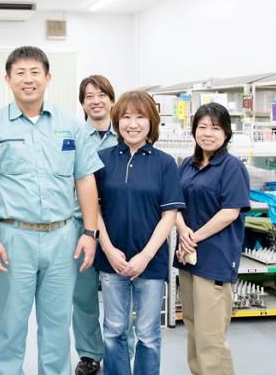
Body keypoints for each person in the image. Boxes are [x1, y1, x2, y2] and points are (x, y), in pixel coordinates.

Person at [0, 46, 102, 375]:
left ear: (48, 77)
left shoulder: (70, 125)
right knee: (11, 326)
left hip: (63, 238)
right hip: (13, 237)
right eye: (20, 73)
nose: (28, 79)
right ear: (7, 79)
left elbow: (85, 179)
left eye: (35, 72)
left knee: (57, 329)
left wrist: (89, 233)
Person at [94, 91, 185, 375]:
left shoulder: (165, 163)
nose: (132, 124)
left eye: (140, 117)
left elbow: (169, 215)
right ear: (117, 121)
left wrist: (145, 256)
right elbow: (94, 209)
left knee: (147, 335)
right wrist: (108, 250)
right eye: (126, 117)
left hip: (151, 263)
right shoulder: (102, 159)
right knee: (113, 331)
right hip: (112, 260)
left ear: (151, 121)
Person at [174, 103, 250, 375]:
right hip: (188, 257)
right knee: (193, 328)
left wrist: (193, 237)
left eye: (215, 128)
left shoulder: (231, 167)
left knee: (210, 337)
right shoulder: (187, 164)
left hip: (215, 259)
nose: (208, 133)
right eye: (202, 127)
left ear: (226, 133)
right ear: (194, 130)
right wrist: (182, 230)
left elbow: (230, 212)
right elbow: (174, 203)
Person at [73, 75, 118, 375]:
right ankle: (89, 354)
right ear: (83, 103)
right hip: (82, 227)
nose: (96, 101)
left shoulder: (126, 134)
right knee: (83, 295)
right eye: (89, 96)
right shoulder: (74, 136)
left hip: (117, 226)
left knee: (119, 294)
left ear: (112, 100)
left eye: (102, 95)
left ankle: (119, 350)